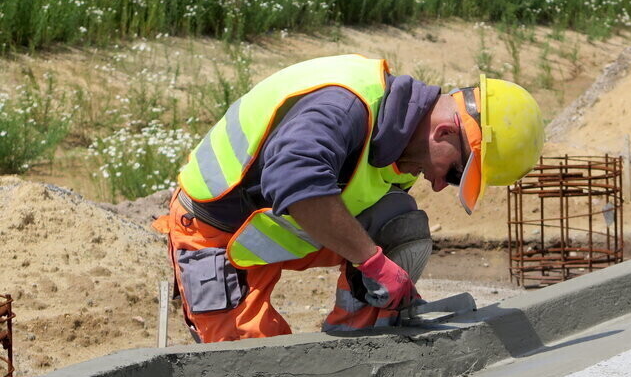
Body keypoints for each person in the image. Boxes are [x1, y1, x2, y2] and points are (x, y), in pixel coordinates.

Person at [162, 54, 544, 342]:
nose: (442, 185)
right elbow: (297, 185)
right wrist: (374, 264)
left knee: (401, 228)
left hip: (281, 226)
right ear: (444, 133)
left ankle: (359, 345)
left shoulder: (403, 145)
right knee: (250, 368)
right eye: (457, 172)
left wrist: (395, 278)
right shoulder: (344, 108)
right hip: (216, 232)